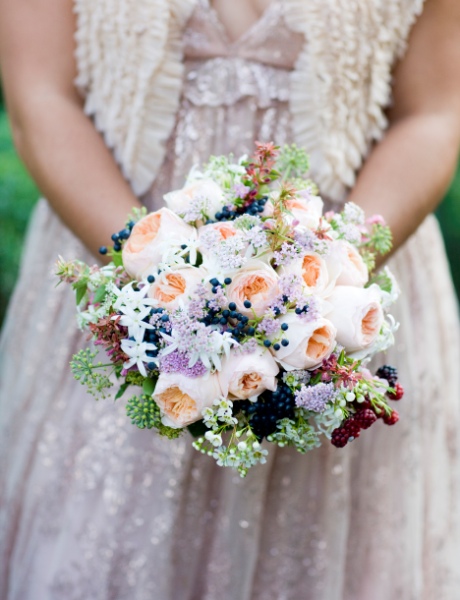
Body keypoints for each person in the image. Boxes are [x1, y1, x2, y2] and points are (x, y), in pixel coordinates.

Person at [1, 0, 460, 598]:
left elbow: (431, 113)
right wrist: (160, 292)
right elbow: (42, 92)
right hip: (112, 263)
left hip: (347, 294)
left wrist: (321, 285)